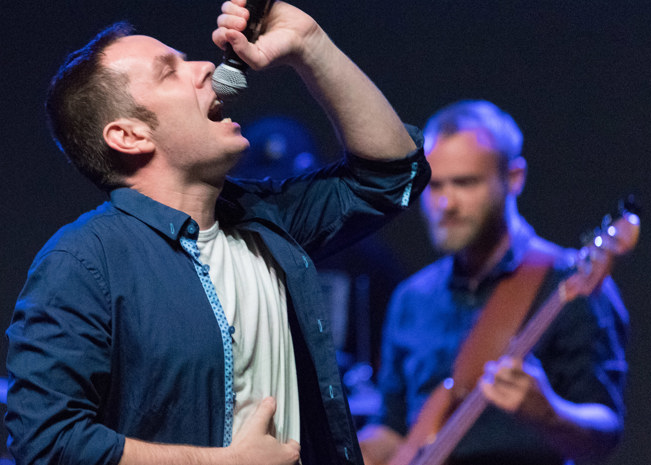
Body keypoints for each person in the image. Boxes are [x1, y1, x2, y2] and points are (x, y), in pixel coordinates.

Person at [4, 1, 430, 464]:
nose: (205, 67)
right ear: (129, 135)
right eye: (169, 72)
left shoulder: (266, 220)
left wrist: (309, 43)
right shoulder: (84, 262)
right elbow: (45, 441)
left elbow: (391, 176)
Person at [358, 100, 629, 465]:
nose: (446, 203)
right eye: (434, 186)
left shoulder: (571, 283)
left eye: (465, 182)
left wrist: (551, 412)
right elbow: (392, 429)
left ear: (514, 178)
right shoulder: (412, 298)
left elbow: (606, 432)